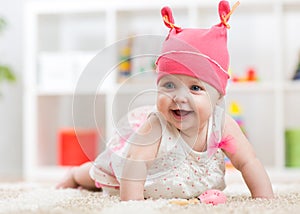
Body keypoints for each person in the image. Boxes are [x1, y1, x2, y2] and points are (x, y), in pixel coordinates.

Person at [57, 1, 274, 201]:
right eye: (169, 85)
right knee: (99, 173)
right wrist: (132, 205)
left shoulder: (222, 125)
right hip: (132, 177)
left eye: (195, 88)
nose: (179, 97)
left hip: (185, 183)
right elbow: (134, 166)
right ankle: (76, 174)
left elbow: (248, 161)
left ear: (218, 97)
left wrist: (265, 199)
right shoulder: (156, 127)